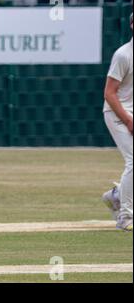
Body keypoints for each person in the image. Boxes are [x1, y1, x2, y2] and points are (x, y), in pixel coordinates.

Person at [101, 13, 133, 232]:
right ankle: (125, 217)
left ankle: (115, 195)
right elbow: (109, 93)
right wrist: (128, 120)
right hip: (116, 112)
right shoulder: (123, 55)